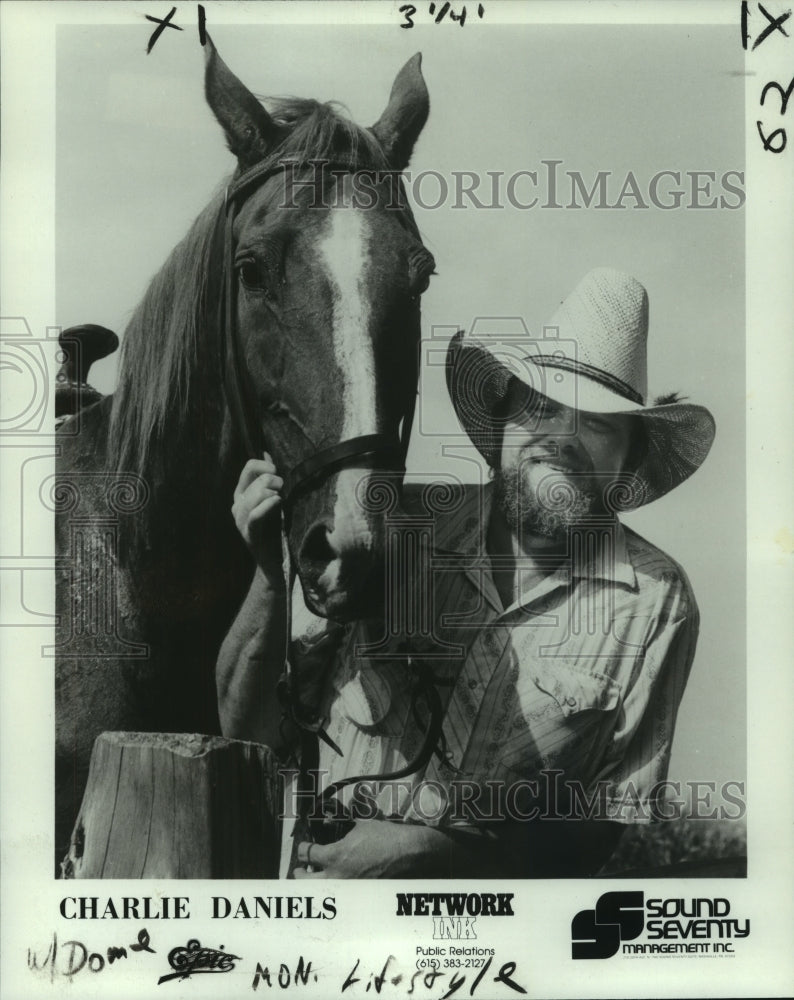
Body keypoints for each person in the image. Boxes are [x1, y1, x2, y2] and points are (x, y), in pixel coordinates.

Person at [217, 267, 716, 878]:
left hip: (490, 953)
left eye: (597, 422)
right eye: (540, 407)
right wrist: (270, 574)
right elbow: (249, 731)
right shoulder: (393, 528)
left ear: (630, 457)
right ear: (502, 422)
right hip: (317, 928)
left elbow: (600, 830)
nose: (561, 437)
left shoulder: (657, 602)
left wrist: (434, 855)